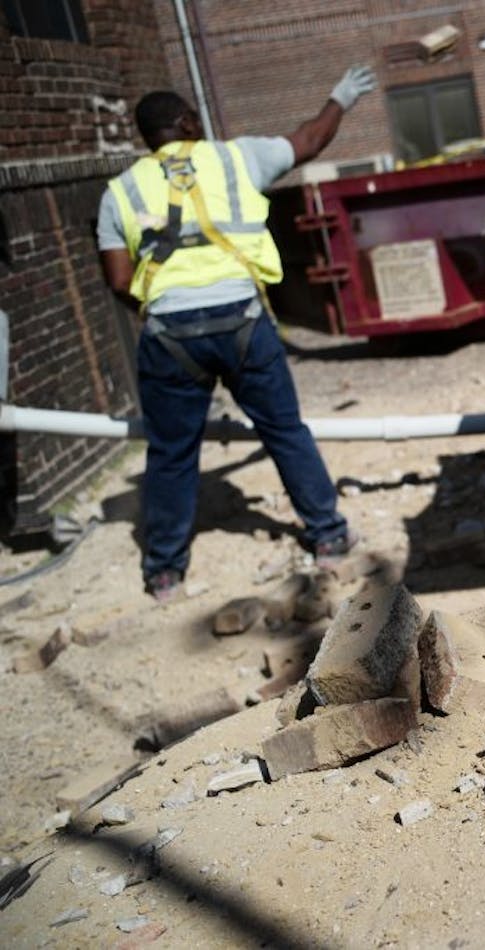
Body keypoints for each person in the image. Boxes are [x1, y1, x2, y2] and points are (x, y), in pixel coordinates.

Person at [97, 66, 378, 601]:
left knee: (172, 452)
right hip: (243, 323)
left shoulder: (120, 191)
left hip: (170, 334)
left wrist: (167, 307)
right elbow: (311, 140)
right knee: (283, 430)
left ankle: (164, 572)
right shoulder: (235, 157)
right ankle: (328, 536)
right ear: (183, 121)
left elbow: (117, 279)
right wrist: (340, 97)